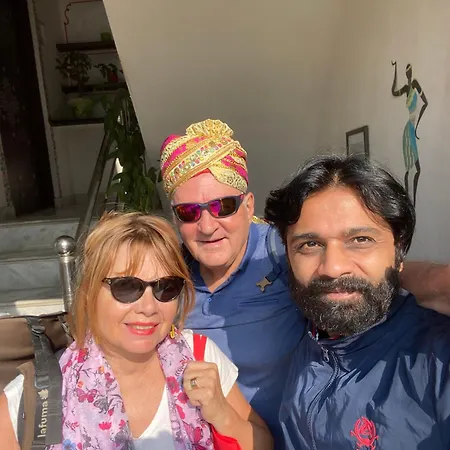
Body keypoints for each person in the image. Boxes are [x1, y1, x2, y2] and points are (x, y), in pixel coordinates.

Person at [0, 212, 273, 450]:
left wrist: (223, 414)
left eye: (165, 287)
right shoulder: (34, 397)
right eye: (127, 287)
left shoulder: (199, 356)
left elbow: (263, 444)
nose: (149, 307)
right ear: (89, 292)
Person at [265, 154, 450, 449]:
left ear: (399, 250)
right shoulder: (308, 334)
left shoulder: (437, 359)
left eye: (361, 240)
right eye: (310, 244)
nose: (333, 268)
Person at [391, 61, 428, 206]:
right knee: (410, 168)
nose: (408, 72)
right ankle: (408, 200)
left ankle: (411, 202)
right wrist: (395, 69)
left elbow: (425, 103)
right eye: (407, 71)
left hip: (412, 127)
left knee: (417, 169)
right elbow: (394, 92)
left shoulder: (415, 85)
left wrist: (418, 125)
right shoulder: (406, 88)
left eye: (409, 70)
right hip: (408, 129)